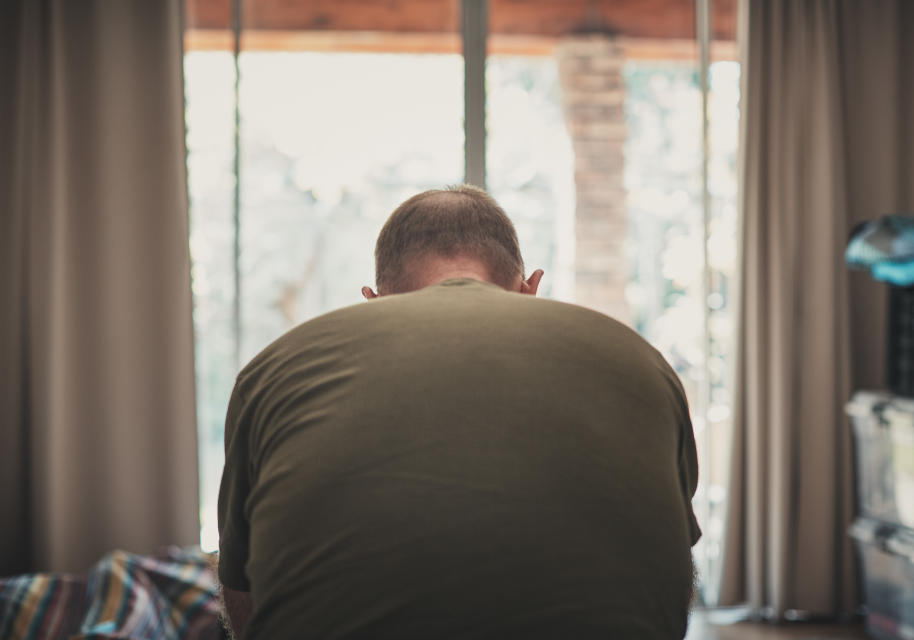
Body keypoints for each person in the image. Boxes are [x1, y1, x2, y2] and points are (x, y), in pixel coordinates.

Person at [217, 185, 701, 639]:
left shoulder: (271, 371)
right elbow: (672, 566)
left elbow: (243, 592)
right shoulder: (640, 361)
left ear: (372, 303)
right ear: (529, 289)